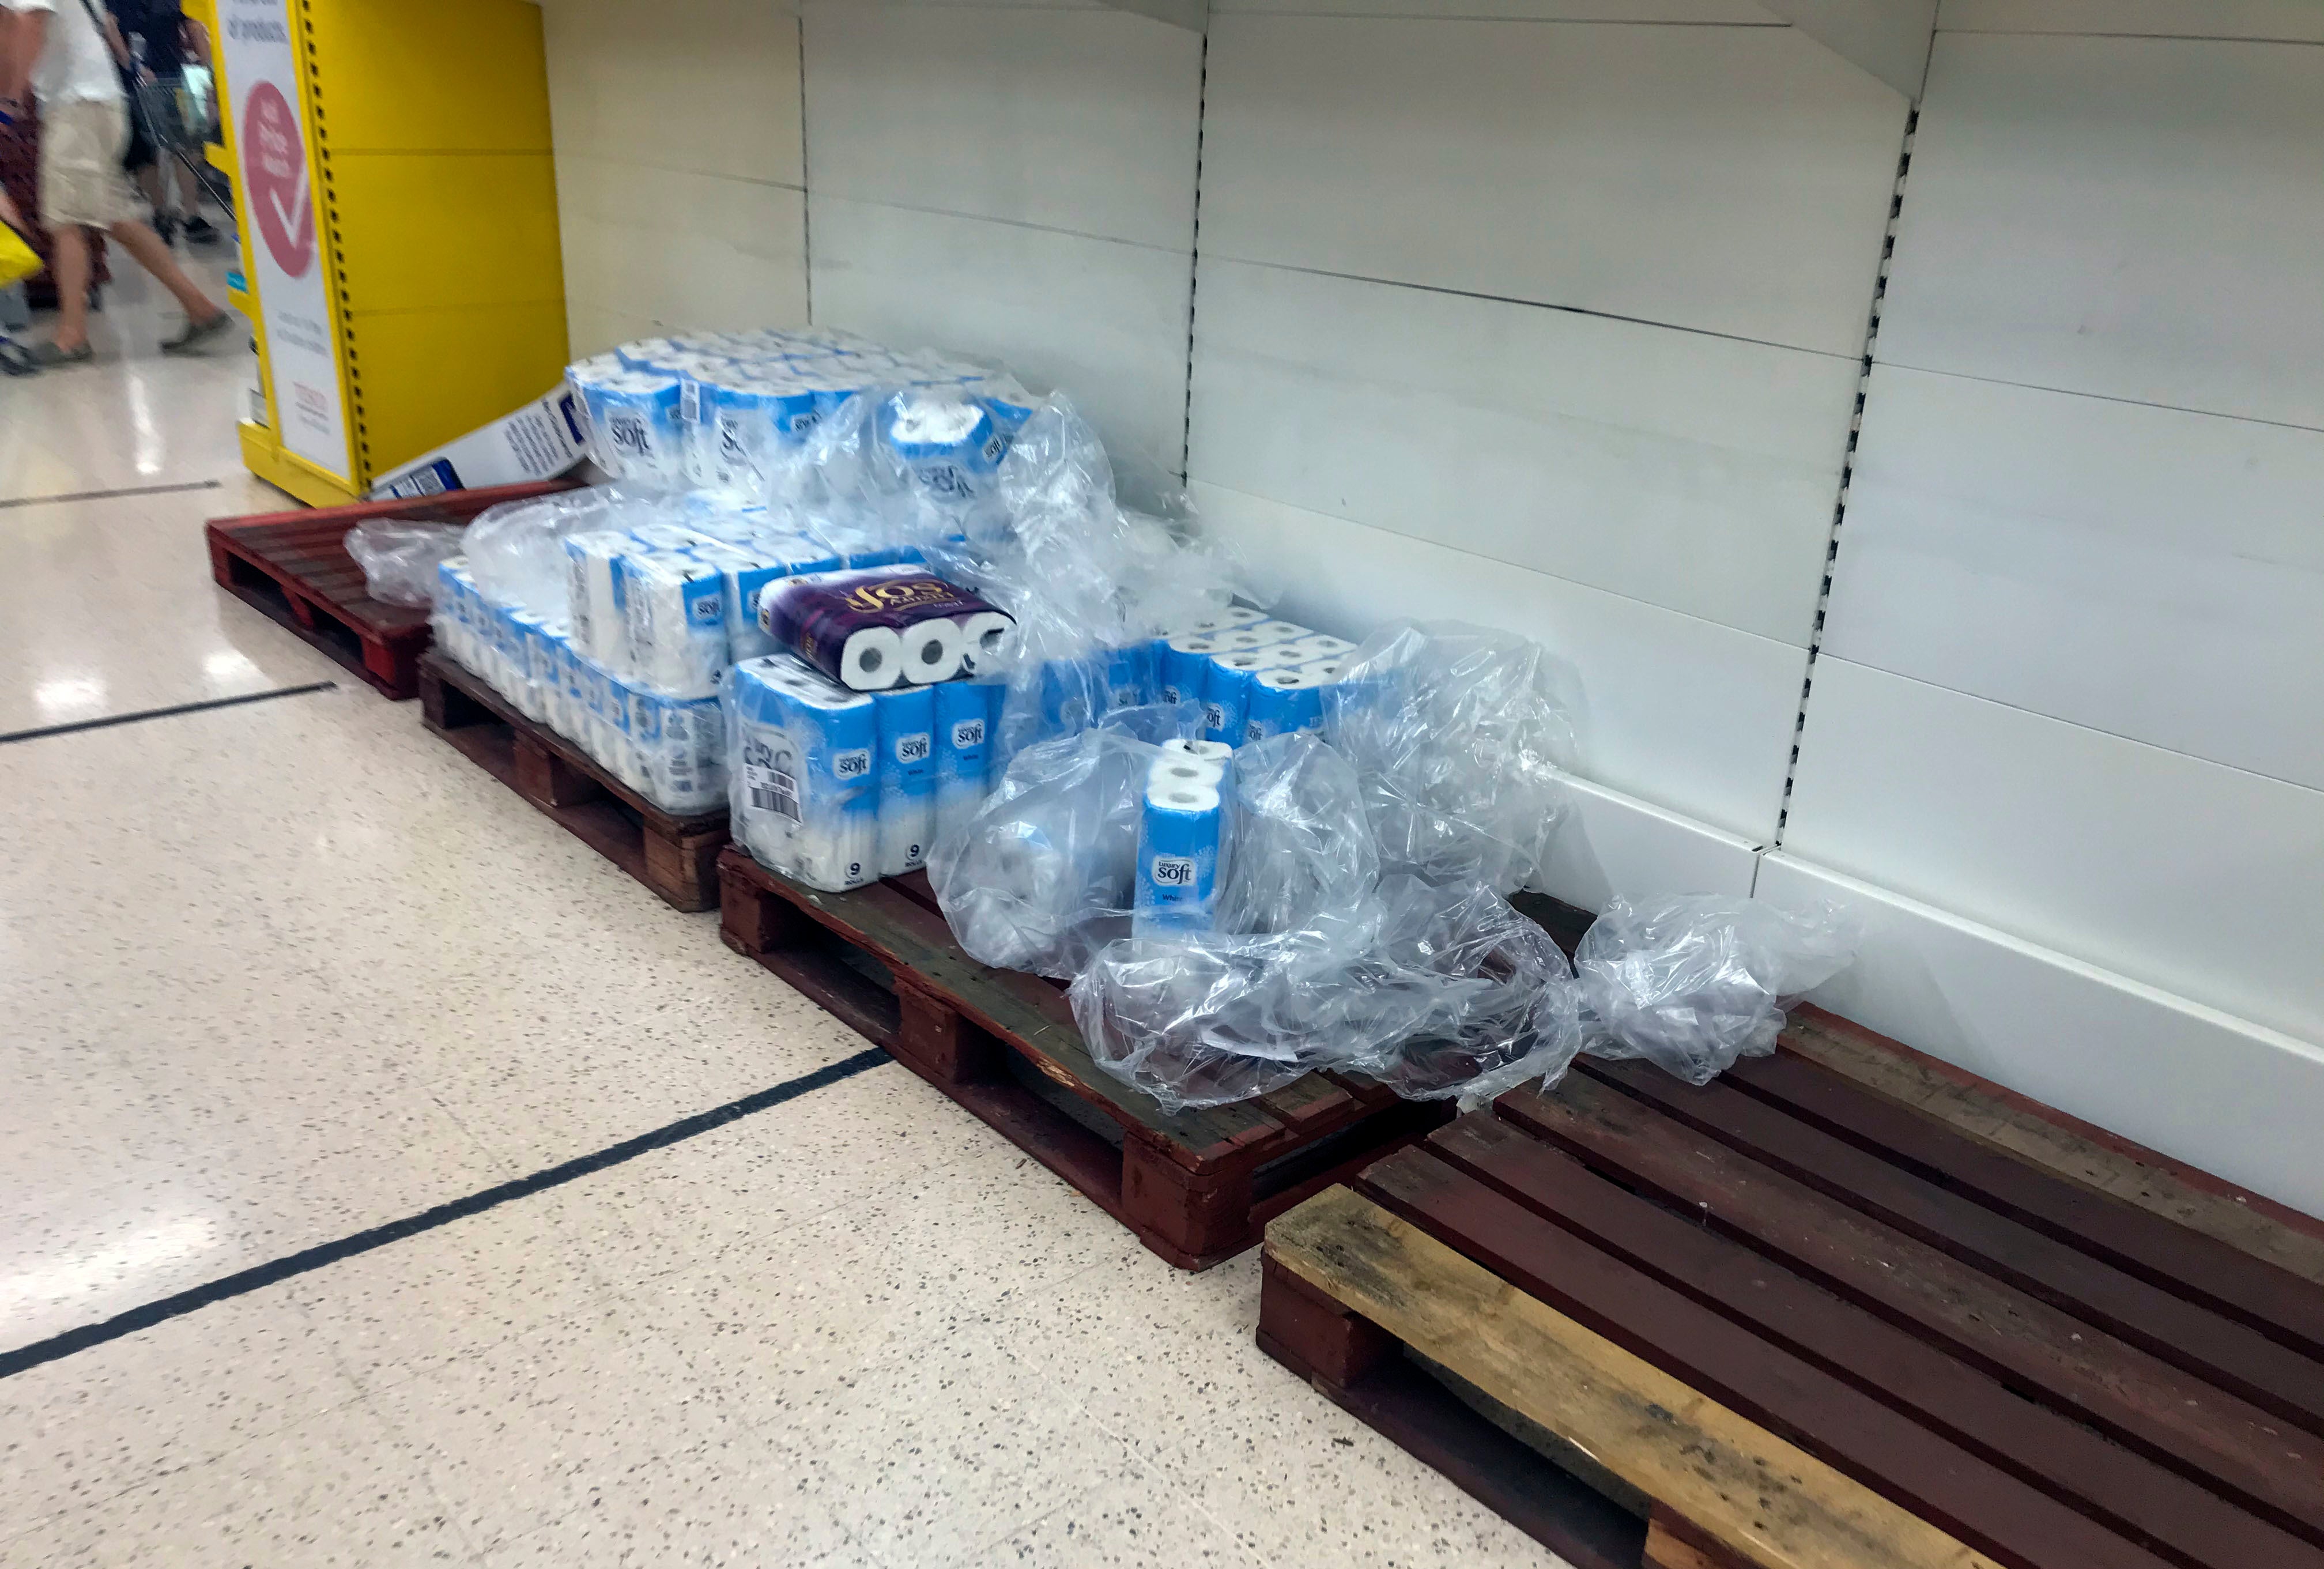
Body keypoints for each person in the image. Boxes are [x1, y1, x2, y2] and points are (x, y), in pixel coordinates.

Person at [0, 0, 231, 366]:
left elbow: (30, 27)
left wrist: (10, 101)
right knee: (115, 219)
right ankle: (200, 309)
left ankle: (71, 338)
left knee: (65, 221)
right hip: (94, 101)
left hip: (79, 105)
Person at [109, 0, 210, 243]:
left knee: (155, 149)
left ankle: (165, 213)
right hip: (160, 74)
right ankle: (186, 213)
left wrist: (131, 66)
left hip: (156, 75)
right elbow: (110, 27)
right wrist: (208, 70)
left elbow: (193, 26)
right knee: (180, 144)